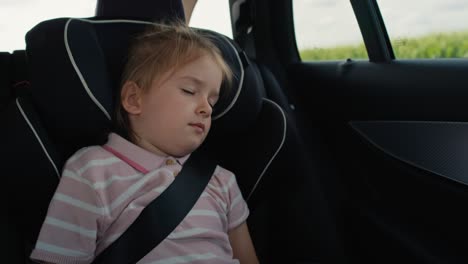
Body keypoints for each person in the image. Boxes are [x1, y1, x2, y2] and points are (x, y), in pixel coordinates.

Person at [30, 21, 259, 264]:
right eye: (190, 91)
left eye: (212, 101)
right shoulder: (92, 171)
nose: (206, 109)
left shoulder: (221, 180)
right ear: (134, 99)